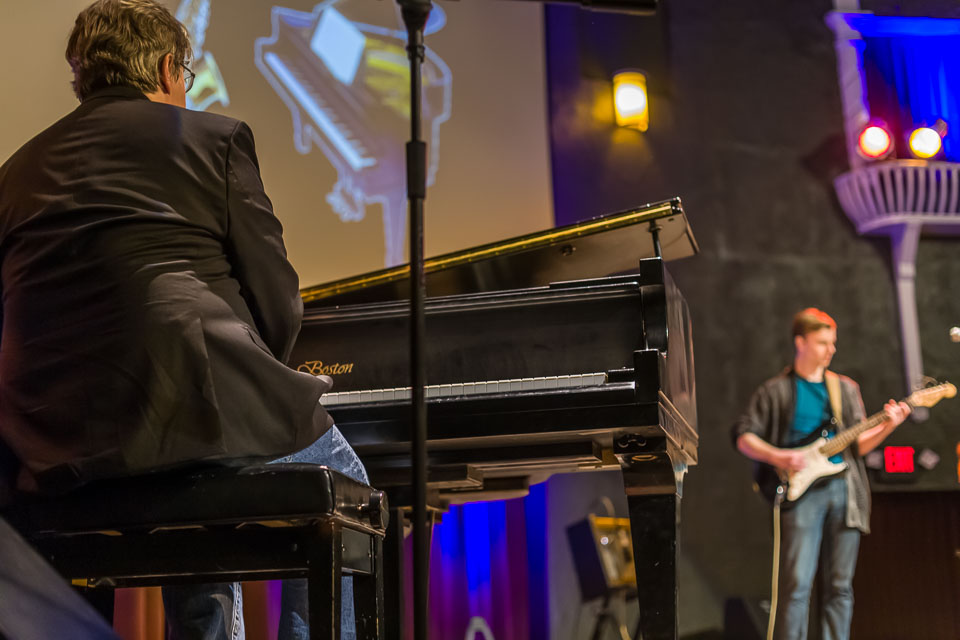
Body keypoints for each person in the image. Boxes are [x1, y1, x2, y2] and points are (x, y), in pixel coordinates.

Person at [0, 1, 365, 638]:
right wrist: (257, 374)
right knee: (341, 475)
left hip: (55, 444)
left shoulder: (15, 173)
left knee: (188, 473)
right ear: (170, 68)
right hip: (186, 406)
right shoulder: (214, 140)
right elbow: (278, 300)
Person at [731, 308, 910, 640]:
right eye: (822, 342)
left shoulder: (844, 388)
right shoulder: (776, 390)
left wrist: (888, 426)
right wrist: (778, 455)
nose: (831, 349)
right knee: (797, 585)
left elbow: (858, 446)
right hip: (801, 495)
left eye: (833, 342)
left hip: (845, 491)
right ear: (800, 343)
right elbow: (743, 436)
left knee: (841, 586)